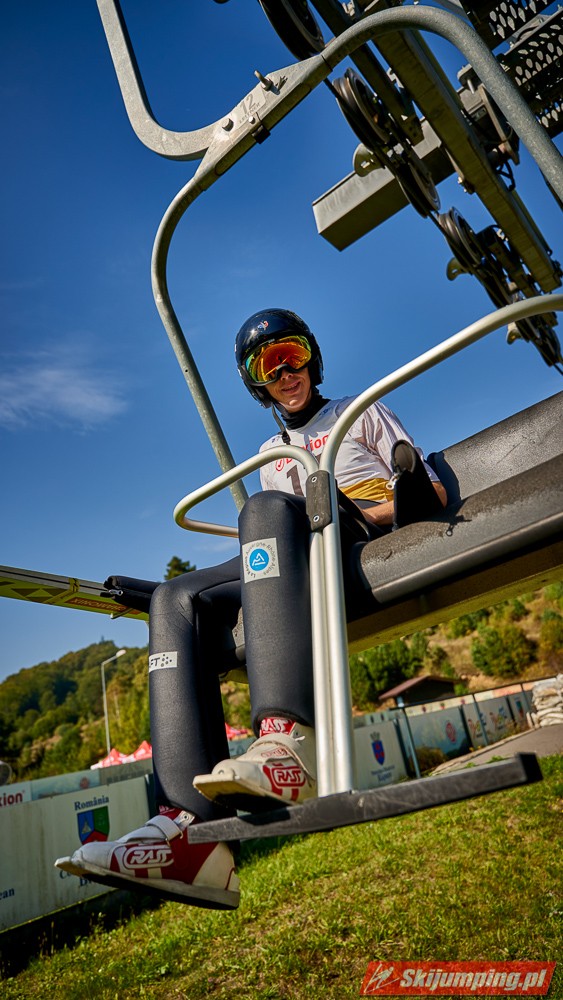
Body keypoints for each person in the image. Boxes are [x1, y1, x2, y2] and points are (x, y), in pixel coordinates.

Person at [55, 308, 446, 910]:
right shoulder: (270, 452)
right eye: (270, 364)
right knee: (173, 600)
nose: (286, 373)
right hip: (293, 551)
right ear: (257, 382)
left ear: (312, 358)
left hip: (354, 536)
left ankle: (287, 742)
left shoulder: (357, 411)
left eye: (293, 356)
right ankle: (189, 833)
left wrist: (363, 509)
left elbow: (429, 490)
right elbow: (271, 548)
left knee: (264, 512)